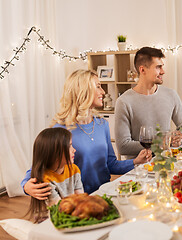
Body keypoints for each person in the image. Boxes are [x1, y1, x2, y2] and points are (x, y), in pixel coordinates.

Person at [21, 69, 152, 197]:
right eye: (98, 87)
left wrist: (135, 161)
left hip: (104, 193)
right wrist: (26, 185)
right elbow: (39, 165)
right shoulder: (61, 129)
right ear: (83, 91)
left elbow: (110, 165)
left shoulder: (102, 124)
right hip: (75, 200)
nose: (103, 91)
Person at [115, 47, 182, 159]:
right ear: (142, 70)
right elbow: (123, 146)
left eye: (162, 66)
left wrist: (179, 136)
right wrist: (161, 143)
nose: (163, 71)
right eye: (158, 67)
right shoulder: (124, 102)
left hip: (168, 163)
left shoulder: (171, 94)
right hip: (140, 168)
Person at [27, 128, 83, 222]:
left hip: (70, 212)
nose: (74, 150)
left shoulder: (74, 169)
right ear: (55, 153)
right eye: (69, 146)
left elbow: (80, 197)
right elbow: (59, 209)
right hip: (51, 219)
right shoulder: (45, 179)